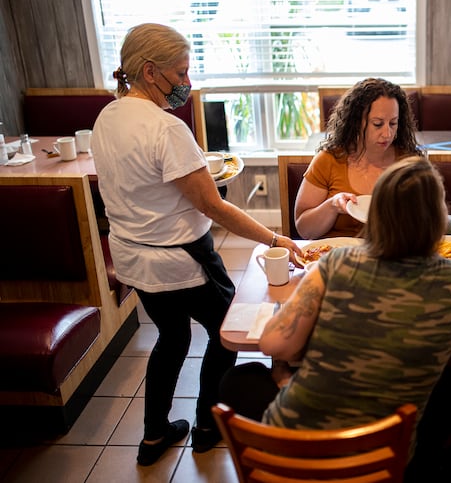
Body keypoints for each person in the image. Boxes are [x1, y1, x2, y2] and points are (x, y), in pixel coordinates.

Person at [219, 156, 451, 471]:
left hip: (288, 461)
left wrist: (284, 377)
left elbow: (275, 344)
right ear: (437, 221)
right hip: (383, 463)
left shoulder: (337, 262)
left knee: (238, 381)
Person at [90, 23, 301, 466]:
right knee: (226, 332)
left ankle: (153, 434)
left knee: (171, 336)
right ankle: (208, 426)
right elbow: (214, 207)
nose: (187, 82)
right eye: (181, 73)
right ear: (150, 72)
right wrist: (276, 238)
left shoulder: (107, 117)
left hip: (132, 255)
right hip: (180, 258)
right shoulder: (166, 129)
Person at [294, 77, 451, 240]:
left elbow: (431, 218)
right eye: (378, 124)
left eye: (393, 123)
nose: (387, 133)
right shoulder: (329, 160)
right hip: (334, 259)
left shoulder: (410, 161)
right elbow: (304, 230)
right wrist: (333, 206)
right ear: (355, 121)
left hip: (393, 262)